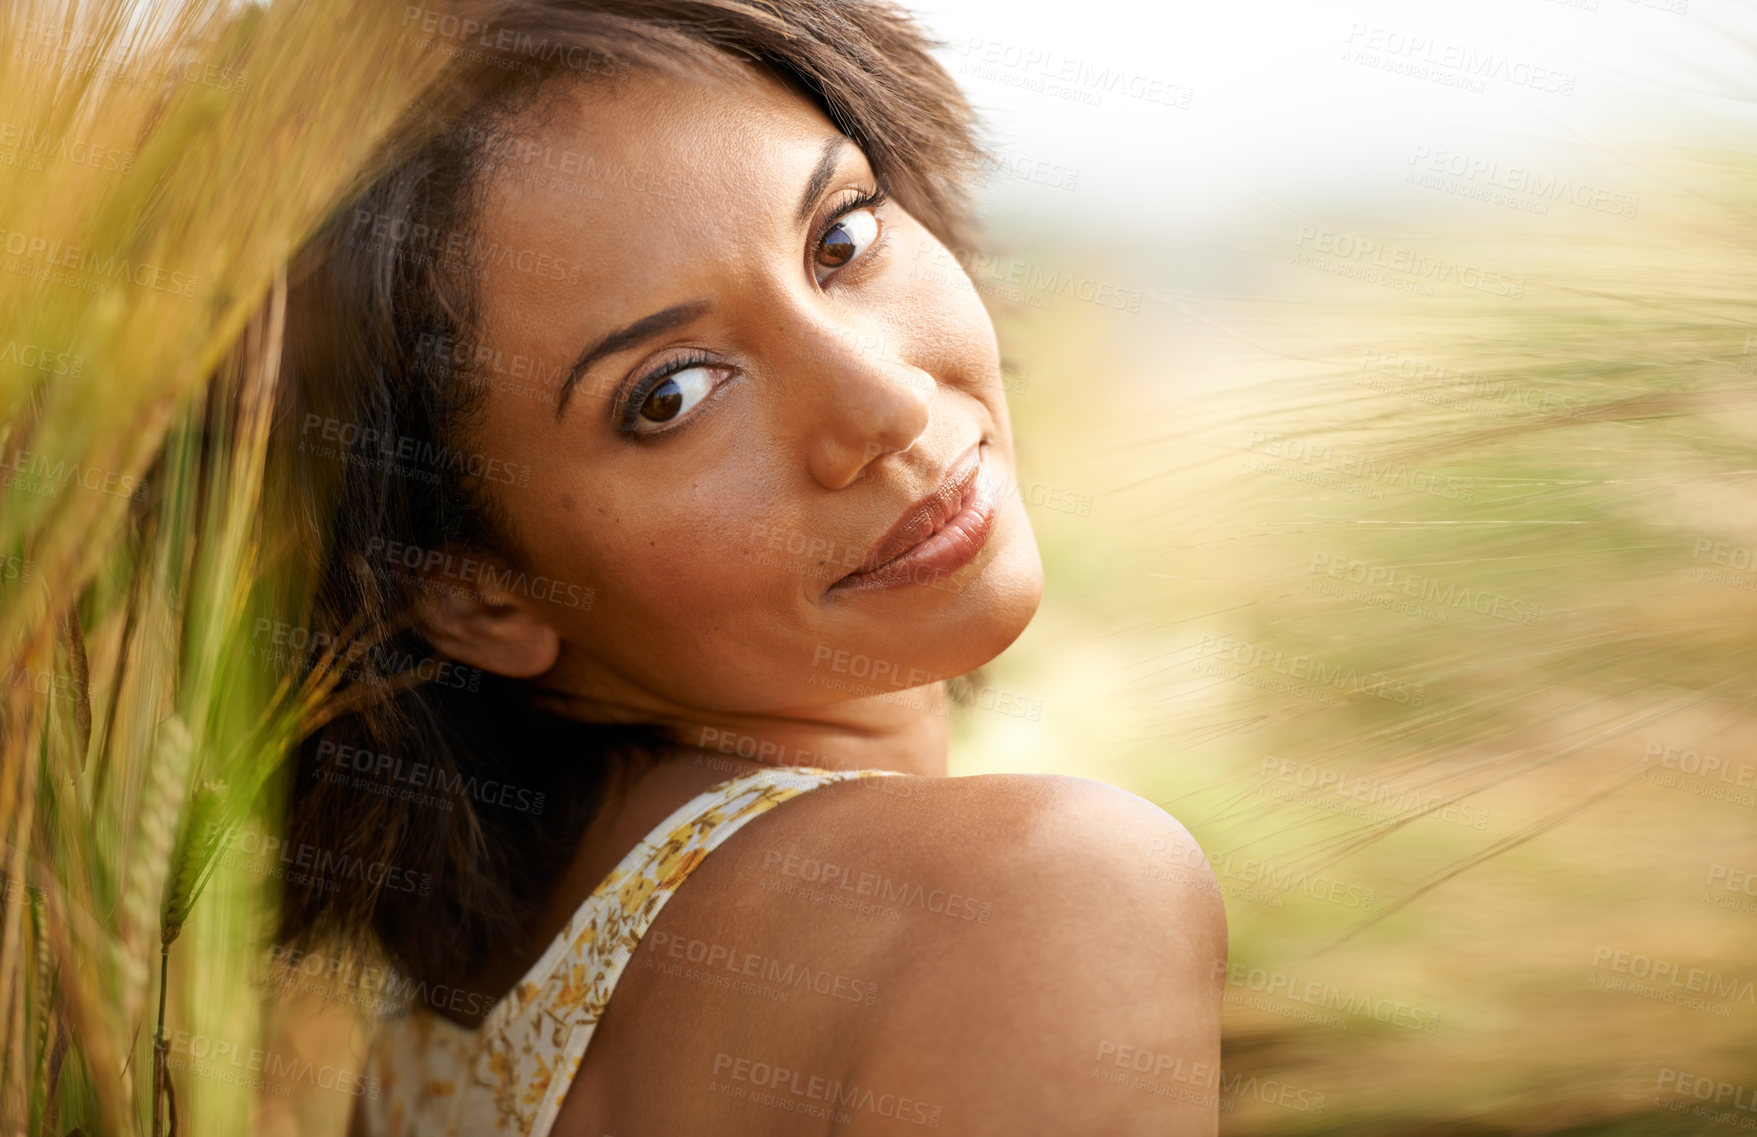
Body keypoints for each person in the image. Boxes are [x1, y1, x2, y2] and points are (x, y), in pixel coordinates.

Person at [269, 2, 1225, 1133]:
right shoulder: (1038, 895)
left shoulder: (466, 992)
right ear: (471, 593)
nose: (884, 400)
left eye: (841, 239)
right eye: (668, 393)